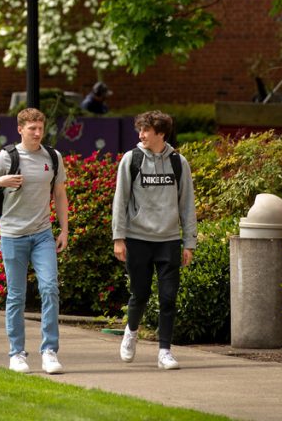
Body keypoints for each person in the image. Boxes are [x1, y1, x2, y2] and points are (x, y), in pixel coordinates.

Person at [0, 108, 69, 374]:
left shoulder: (53, 156)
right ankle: (17, 353)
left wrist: (64, 230)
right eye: (32, 129)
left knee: (50, 288)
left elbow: (60, 194)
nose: (38, 133)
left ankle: (49, 351)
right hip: (13, 235)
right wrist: (1, 180)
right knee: (16, 296)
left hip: (43, 235)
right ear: (20, 129)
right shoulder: (7, 157)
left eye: (41, 128)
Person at [111, 110, 197, 370]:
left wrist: (189, 242)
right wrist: (119, 237)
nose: (141, 134)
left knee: (168, 298)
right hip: (138, 239)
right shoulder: (132, 159)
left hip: (168, 240)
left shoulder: (178, 163)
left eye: (146, 130)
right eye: (140, 129)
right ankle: (131, 332)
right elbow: (120, 200)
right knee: (140, 294)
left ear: (161, 133)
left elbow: (187, 205)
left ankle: (165, 351)